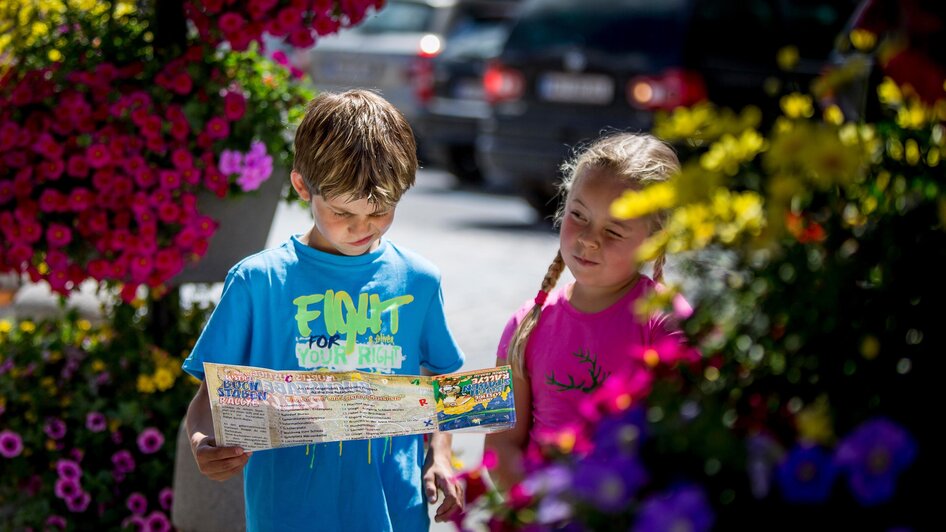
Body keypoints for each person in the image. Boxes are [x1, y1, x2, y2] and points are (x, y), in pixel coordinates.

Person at [182, 89, 465, 531]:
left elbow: (443, 383)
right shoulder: (258, 282)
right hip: (287, 516)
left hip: (396, 514)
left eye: (380, 211)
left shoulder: (419, 280)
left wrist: (441, 456)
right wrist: (203, 444)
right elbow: (208, 400)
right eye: (341, 211)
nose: (361, 227)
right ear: (301, 186)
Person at [484, 132, 693, 489]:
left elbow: (681, 449)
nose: (588, 239)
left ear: (655, 240)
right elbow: (501, 445)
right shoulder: (524, 326)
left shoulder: (665, 322)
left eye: (613, 230)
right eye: (578, 215)